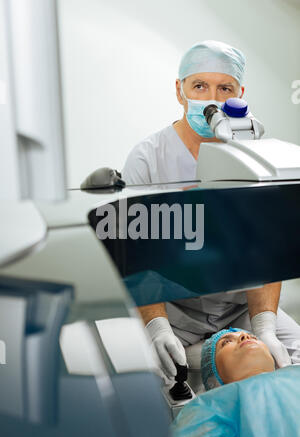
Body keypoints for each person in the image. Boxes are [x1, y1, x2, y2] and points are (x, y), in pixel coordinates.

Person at [121, 40, 300, 384]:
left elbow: (269, 255)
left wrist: (265, 327)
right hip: (172, 311)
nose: (212, 98)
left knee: (291, 361)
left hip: (242, 309)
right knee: (149, 381)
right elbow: (135, 258)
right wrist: (158, 328)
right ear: (180, 90)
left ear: (240, 94)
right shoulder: (148, 158)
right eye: (200, 86)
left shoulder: (258, 157)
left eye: (225, 88)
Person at [170, 328, 300, 437]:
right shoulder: (208, 407)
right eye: (226, 342)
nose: (245, 336)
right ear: (214, 378)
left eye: (254, 337)